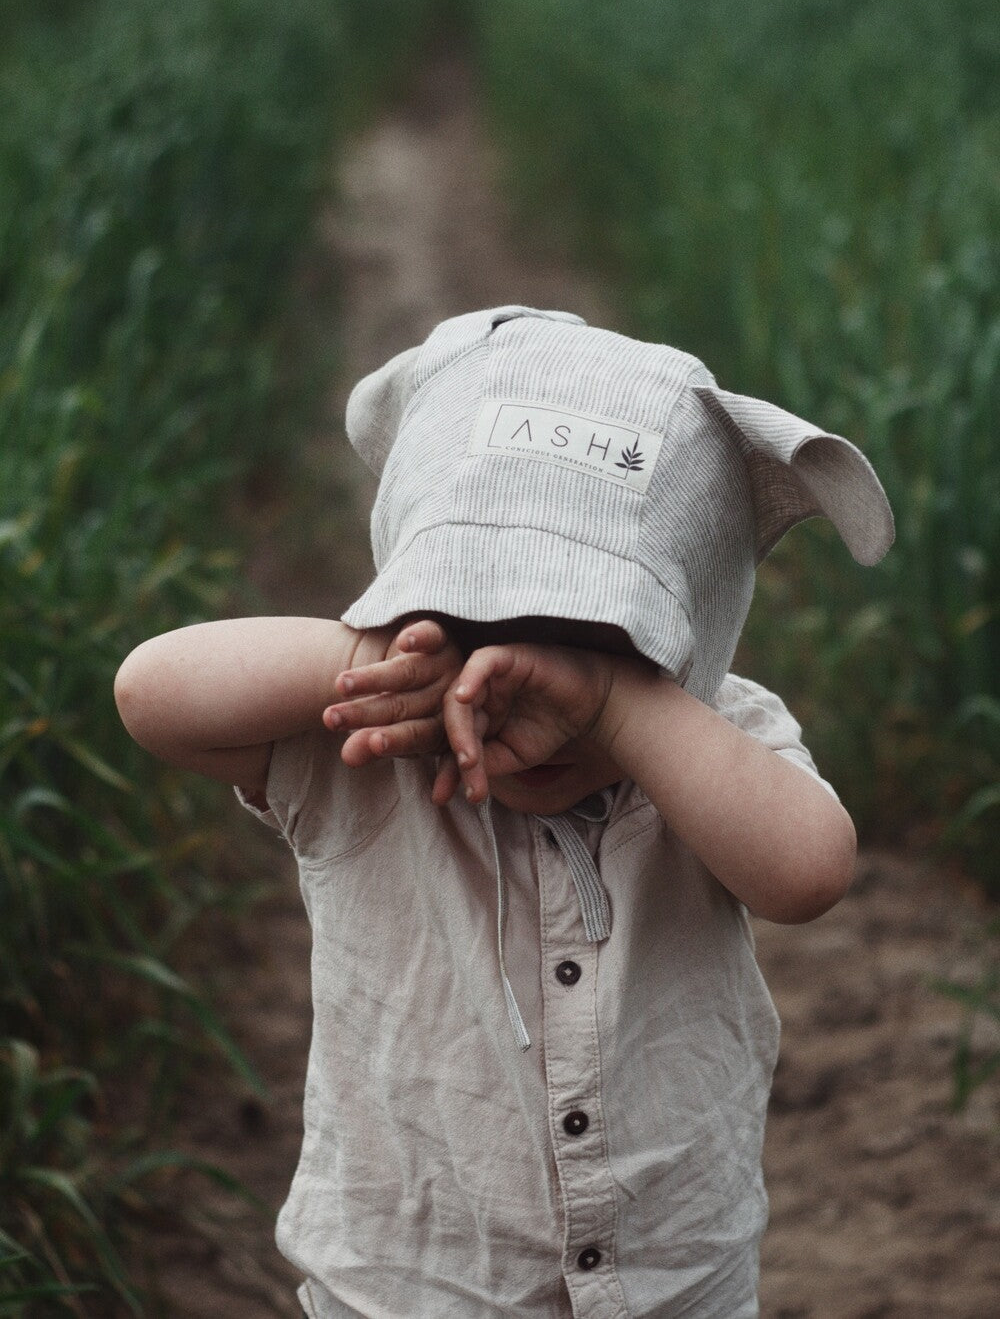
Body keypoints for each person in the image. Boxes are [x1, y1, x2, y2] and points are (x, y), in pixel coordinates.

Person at [114, 305, 894, 1319]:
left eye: (596, 648)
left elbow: (810, 871)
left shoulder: (718, 740)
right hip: (406, 1287)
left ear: (687, 648)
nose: (519, 704)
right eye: (475, 625)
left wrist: (621, 712)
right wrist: (382, 666)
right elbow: (150, 691)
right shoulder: (361, 743)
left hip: (675, 1285)